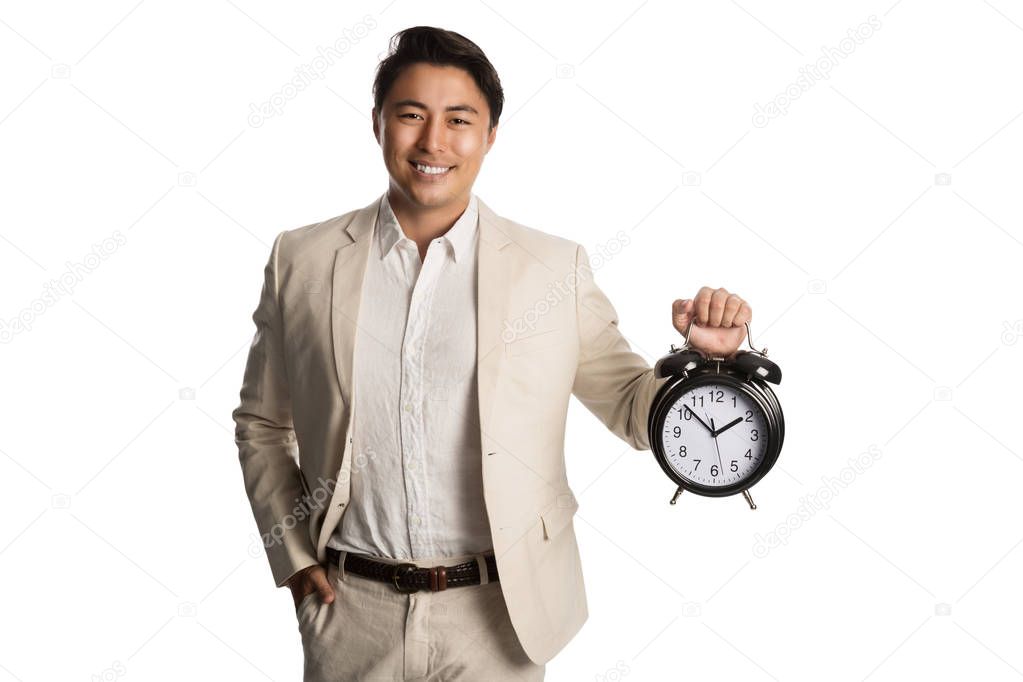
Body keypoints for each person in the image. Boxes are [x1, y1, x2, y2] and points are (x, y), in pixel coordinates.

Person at [232, 25, 753, 681]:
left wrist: (704, 365)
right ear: (377, 124)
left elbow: (630, 407)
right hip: (350, 615)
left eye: (459, 119)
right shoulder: (301, 259)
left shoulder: (550, 269)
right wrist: (293, 558)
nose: (433, 142)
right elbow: (260, 423)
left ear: (490, 135)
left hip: (498, 619)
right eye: (410, 115)